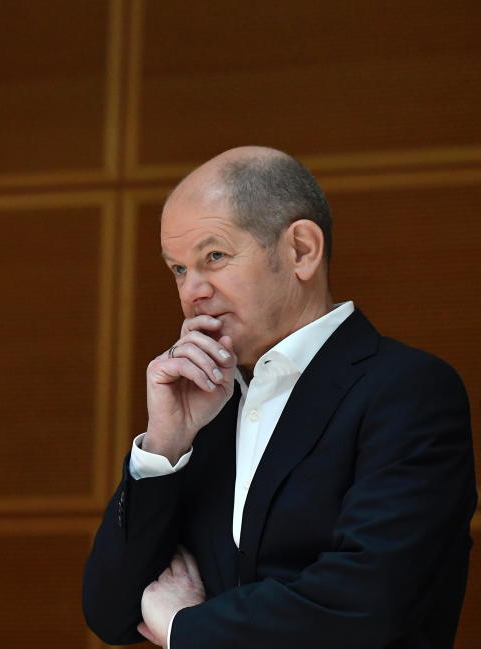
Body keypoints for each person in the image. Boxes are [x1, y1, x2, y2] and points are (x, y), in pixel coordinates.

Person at [82, 146, 476, 648]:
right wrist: (164, 446)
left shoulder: (407, 390)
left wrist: (187, 628)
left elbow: (369, 603)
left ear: (301, 251)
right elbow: (112, 612)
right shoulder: (207, 409)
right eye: (179, 269)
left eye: (214, 256)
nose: (192, 292)